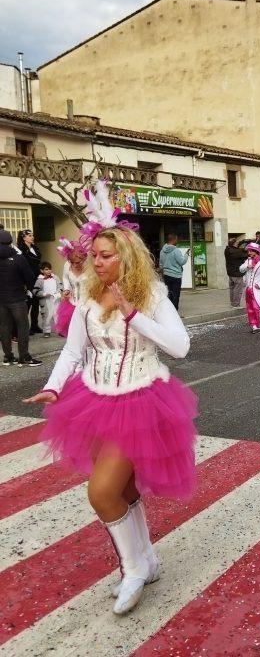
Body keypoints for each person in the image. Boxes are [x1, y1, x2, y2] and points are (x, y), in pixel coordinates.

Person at [23, 180, 197, 616]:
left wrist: (133, 314)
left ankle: (133, 569)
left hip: (140, 399)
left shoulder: (152, 295)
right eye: (93, 256)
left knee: (102, 493)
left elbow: (180, 347)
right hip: (94, 399)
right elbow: (72, 349)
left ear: (126, 256)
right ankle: (147, 563)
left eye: (105, 255)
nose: (95, 263)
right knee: (125, 489)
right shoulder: (85, 297)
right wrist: (55, 385)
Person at [0, 229, 42, 366]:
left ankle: (8, 357)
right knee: (22, 325)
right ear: (10, 241)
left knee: (5, 327)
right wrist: (28, 288)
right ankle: (24, 356)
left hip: (1, 299)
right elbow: (29, 277)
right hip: (17, 297)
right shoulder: (18, 258)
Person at [55, 237, 88, 337]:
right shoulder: (67, 265)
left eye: (78, 262)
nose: (74, 264)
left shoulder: (91, 266)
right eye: (72, 262)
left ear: (84, 258)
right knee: (74, 334)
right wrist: (66, 289)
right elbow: (65, 277)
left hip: (88, 305)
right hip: (72, 304)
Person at [240, 242, 260, 333]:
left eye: (251, 251)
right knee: (250, 308)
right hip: (248, 289)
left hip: (256, 290)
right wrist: (247, 266)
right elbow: (240, 269)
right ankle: (253, 325)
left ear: (256, 251)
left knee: (256, 307)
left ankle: (258, 326)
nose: (249, 253)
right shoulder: (248, 261)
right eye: (248, 251)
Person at [17, 229, 42, 334]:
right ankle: (23, 327)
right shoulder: (21, 250)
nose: (32, 237)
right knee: (28, 304)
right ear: (24, 238)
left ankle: (34, 325)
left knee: (36, 303)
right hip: (27, 279)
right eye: (29, 235)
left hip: (37, 277)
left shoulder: (34, 248)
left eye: (32, 235)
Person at [159, 234, 189, 310]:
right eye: (176, 239)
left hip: (166, 275)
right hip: (176, 276)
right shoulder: (176, 251)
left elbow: (161, 265)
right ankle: (174, 313)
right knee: (175, 295)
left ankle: (168, 312)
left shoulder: (162, 251)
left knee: (169, 294)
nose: (177, 241)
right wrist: (186, 255)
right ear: (173, 240)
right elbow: (182, 262)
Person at [34, 261, 62, 337]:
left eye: (50, 269)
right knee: (47, 316)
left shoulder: (55, 278)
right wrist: (44, 294)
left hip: (55, 300)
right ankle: (47, 331)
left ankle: (60, 330)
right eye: (46, 269)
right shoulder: (39, 280)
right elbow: (35, 291)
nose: (49, 271)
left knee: (57, 315)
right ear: (41, 270)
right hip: (46, 301)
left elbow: (60, 286)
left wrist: (58, 293)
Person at [224, 237, 247, 307]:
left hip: (230, 273)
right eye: (237, 243)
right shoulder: (236, 252)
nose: (238, 244)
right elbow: (245, 255)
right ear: (234, 244)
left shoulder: (227, 250)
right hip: (237, 274)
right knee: (238, 289)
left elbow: (238, 249)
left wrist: (243, 245)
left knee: (232, 289)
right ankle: (236, 304)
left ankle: (232, 303)